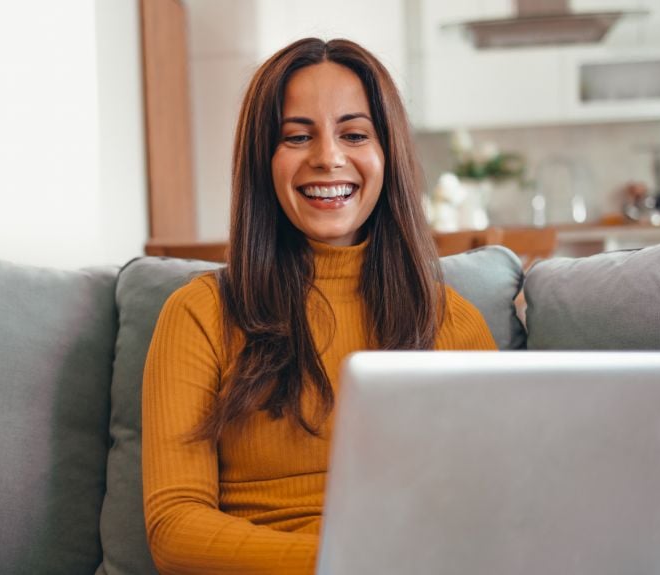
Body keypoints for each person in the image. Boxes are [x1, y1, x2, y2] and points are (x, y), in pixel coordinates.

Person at [141, 37, 497, 574]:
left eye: (354, 134)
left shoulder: (451, 321)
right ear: (264, 160)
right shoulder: (201, 314)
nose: (328, 157)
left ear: (387, 155)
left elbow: (497, 506)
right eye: (297, 136)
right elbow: (174, 528)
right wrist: (349, 562)